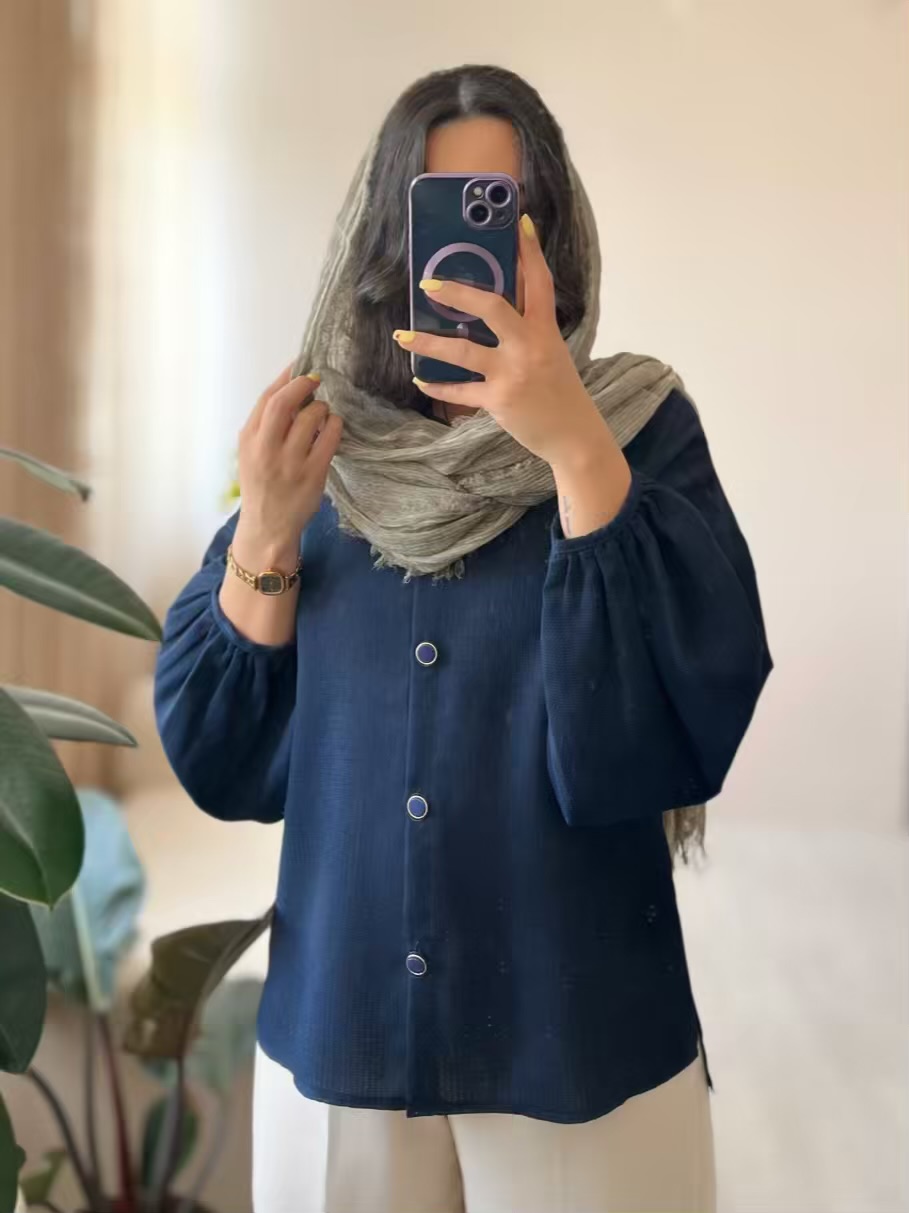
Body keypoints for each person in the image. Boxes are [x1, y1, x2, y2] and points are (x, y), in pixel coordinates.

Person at [155, 64, 772, 1213]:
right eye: (435, 207)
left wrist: (575, 449)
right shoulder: (319, 447)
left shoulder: (638, 429)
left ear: (554, 240)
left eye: (504, 210)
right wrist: (271, 531)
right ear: (385, 238)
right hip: (342, 1042)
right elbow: (219, 758)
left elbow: (672, 737)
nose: (463, 251)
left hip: (580, 1039)